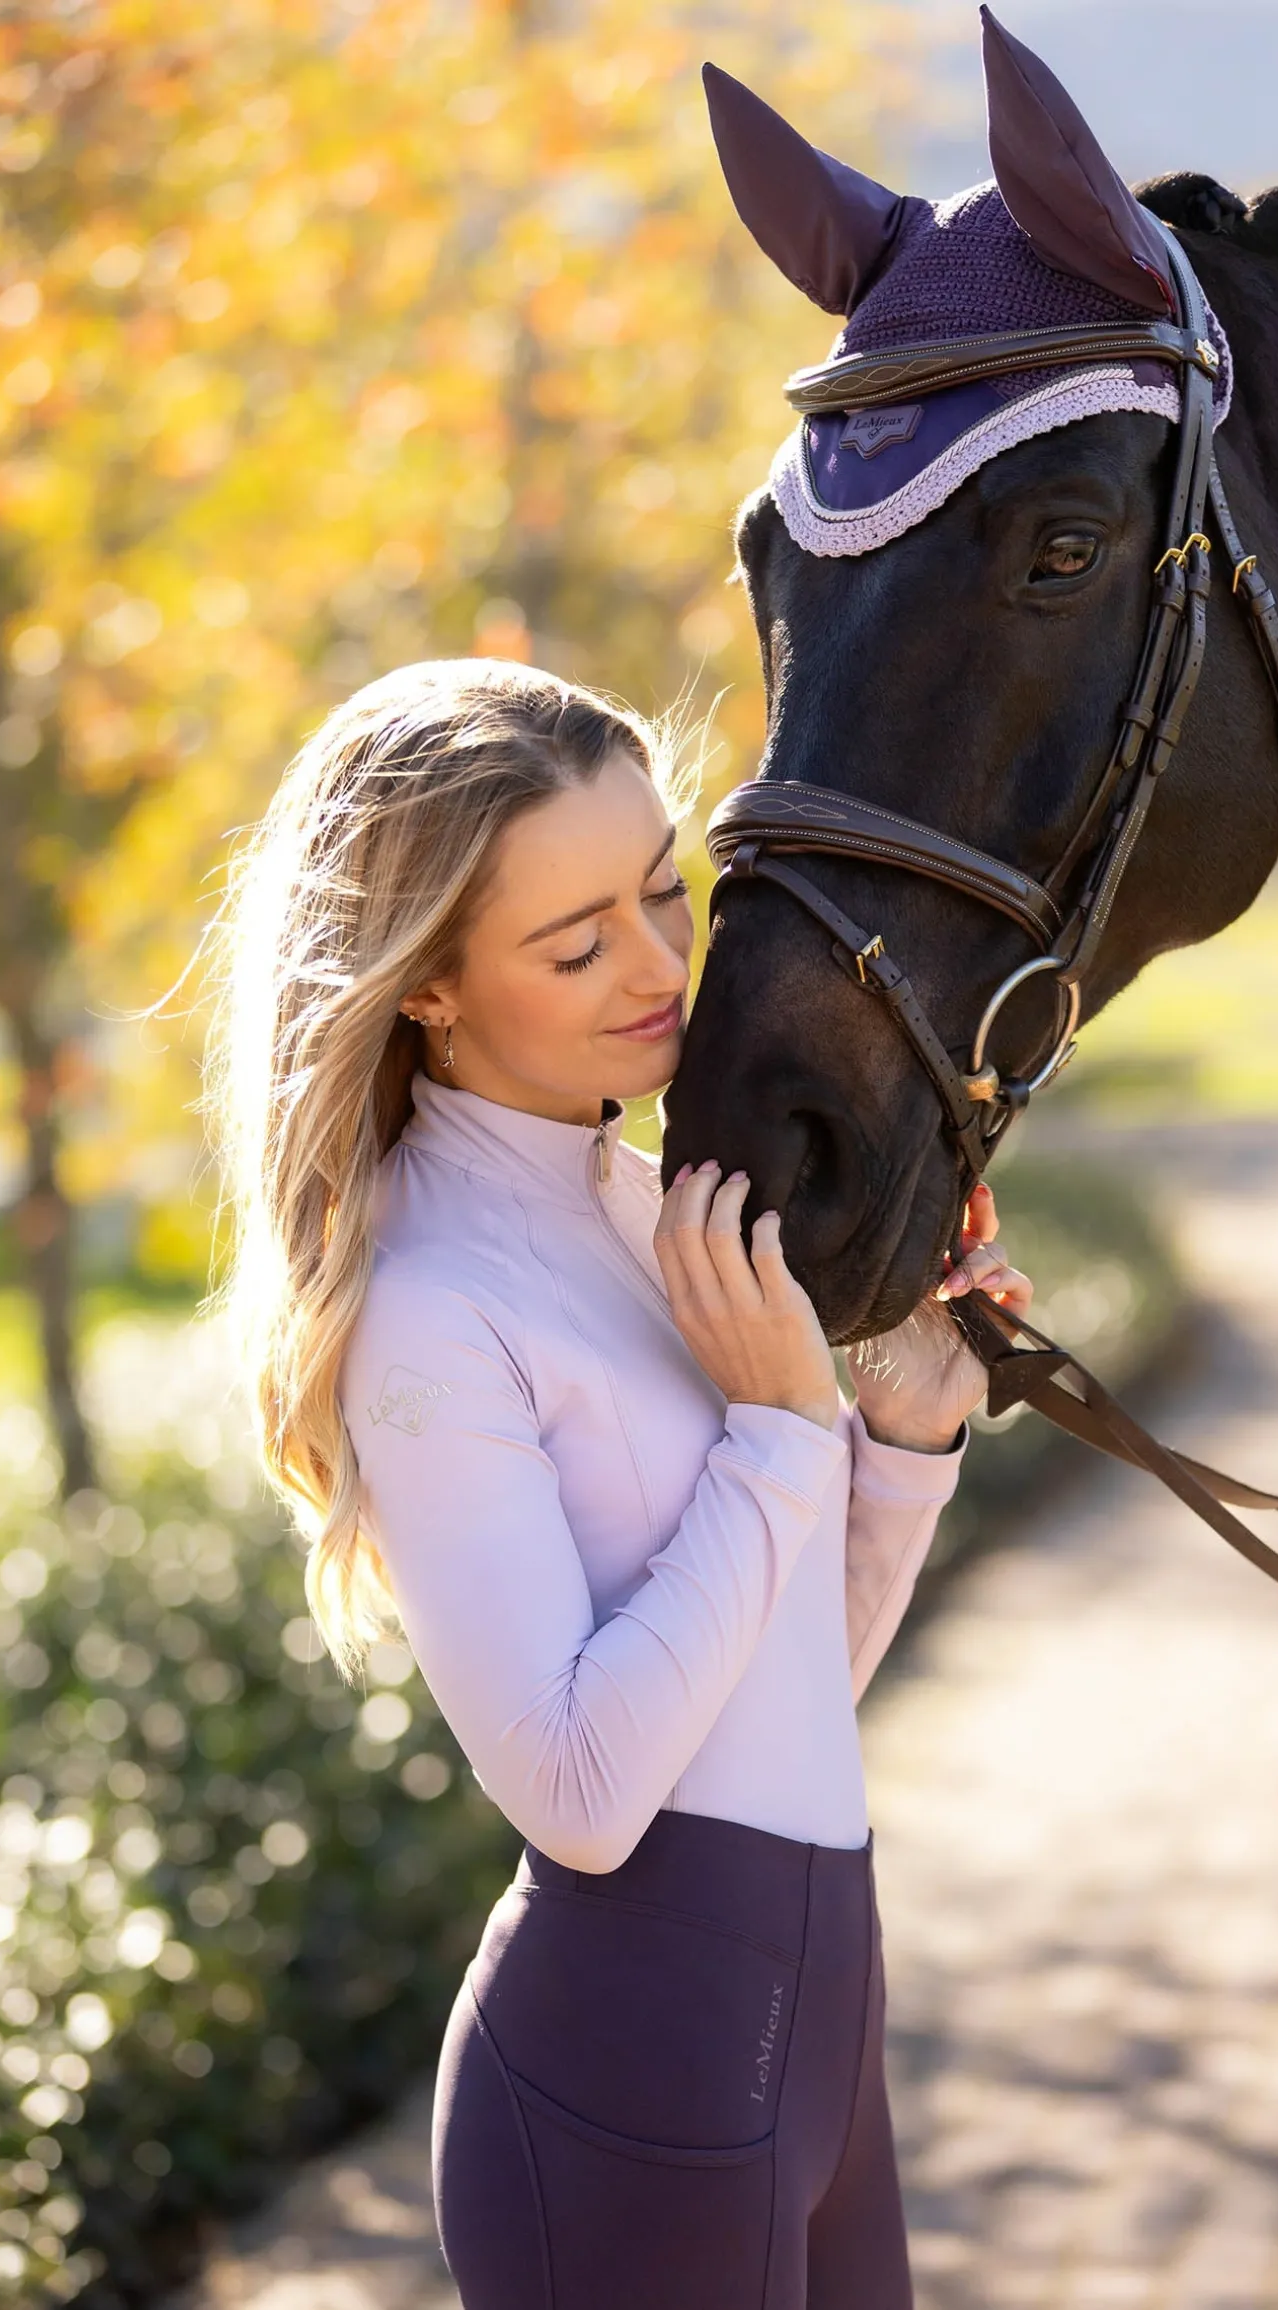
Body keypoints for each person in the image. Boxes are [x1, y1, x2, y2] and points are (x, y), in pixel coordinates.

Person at [211, 656, 1032, 2310]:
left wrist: (902, 1439)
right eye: (577, 942)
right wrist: (781, 1433)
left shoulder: (663, 1211)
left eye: (667, 891)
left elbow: (777, 1697)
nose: (662, 967)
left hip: (814, 2038)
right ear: (427, 984)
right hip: (630, 2096)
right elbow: (581, 1789)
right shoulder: (432, 1306)